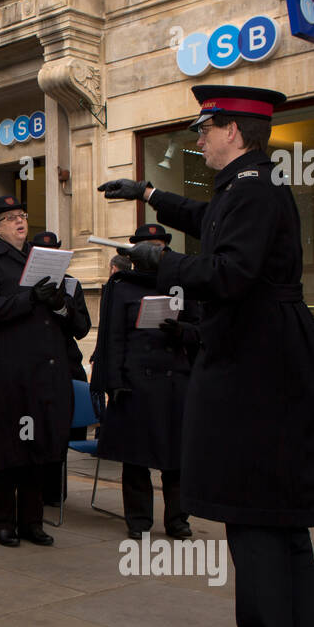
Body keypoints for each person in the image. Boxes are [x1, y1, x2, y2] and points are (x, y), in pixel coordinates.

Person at [98, 84, 314, 627]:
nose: (200, 138)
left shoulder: (253, 193)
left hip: (256, 363)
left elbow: (228, 274)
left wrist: (153, 263)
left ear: (233, 132)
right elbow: (207, 218)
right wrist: (150, 195)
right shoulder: (249, 188)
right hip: (274, 357)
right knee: (283, 512)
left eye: (206, 129)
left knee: (254, 510)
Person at [0, 197, 88, 547]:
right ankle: (2, 520)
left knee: (41, 448)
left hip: (47, 371)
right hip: (11, 374)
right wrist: (30, 298)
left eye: (22, 215)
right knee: (9, 449)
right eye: (9, 218)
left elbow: (76, 322)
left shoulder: (43, 260)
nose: (19, 222)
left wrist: (58, 304)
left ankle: (32, 520)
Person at [90, 223, 197, 540]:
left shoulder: (183, 284)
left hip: (176, 381)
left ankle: (178, 519)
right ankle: (138, 521)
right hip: (135, 382)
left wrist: (183, 332)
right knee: (136, 459)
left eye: (158, 245)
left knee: (177, 459)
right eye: (146, 246)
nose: (152, 251)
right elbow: (112, 338)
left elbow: (203, 328)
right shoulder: (121, 286)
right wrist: (112, 381)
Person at [32, 230, 93, 511]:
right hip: (33, 366)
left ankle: (54, 493)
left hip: (65, 363)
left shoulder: (71, 285)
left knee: (59, 432)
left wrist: (61, 307)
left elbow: (81, 328)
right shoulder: (23, 283)